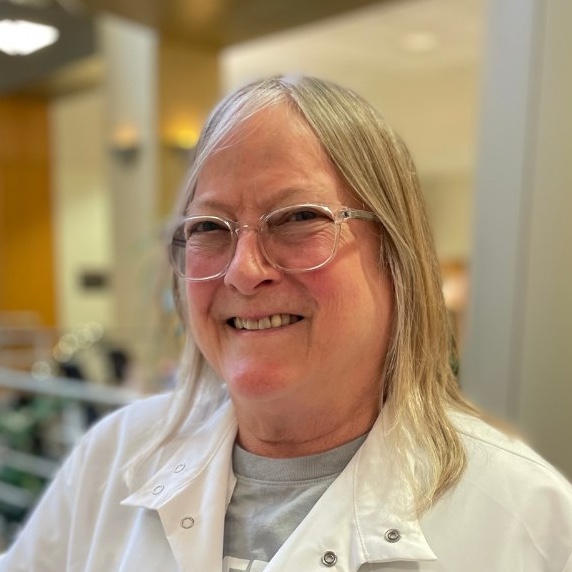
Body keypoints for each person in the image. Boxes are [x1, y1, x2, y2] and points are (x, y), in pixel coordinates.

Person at [1, 75, 572, 571]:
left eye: (299, 218)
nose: (244, 272)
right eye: (209, 227)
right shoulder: (112, 458)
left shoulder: (528, 520)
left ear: (397, 255)